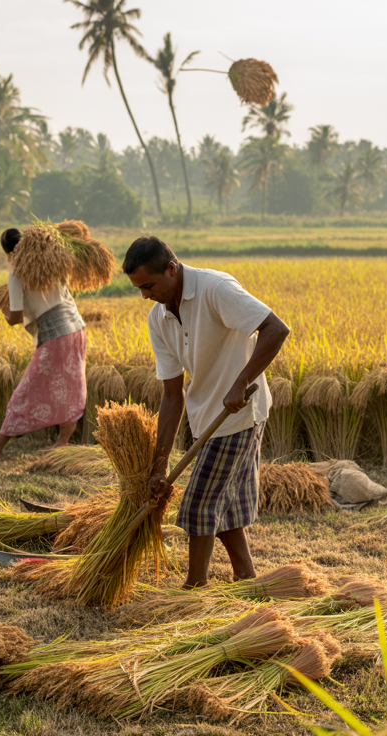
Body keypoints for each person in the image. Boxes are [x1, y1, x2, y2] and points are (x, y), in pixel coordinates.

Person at [124, 236, 290, 589]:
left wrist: (241, 380)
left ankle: (194, 586)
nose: (145, 295)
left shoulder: (215, 288)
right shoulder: (159, 318)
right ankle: (246, 577)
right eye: (139, 288)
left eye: (149, 285)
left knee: (200, 504)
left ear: (171, 268)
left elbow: (276, 328)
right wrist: (159, 465)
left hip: (238, 415)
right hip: (205, 417)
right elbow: (172, 396)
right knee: (224, 507)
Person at [0, 228, 87, 461]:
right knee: (72, 386)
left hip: (55, 336)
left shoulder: (17, 273)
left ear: (8, 253)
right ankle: (62, 442)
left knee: (25, 391)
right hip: (77, 330)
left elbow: (15, 317)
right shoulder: (52, 263)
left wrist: (5, 312)